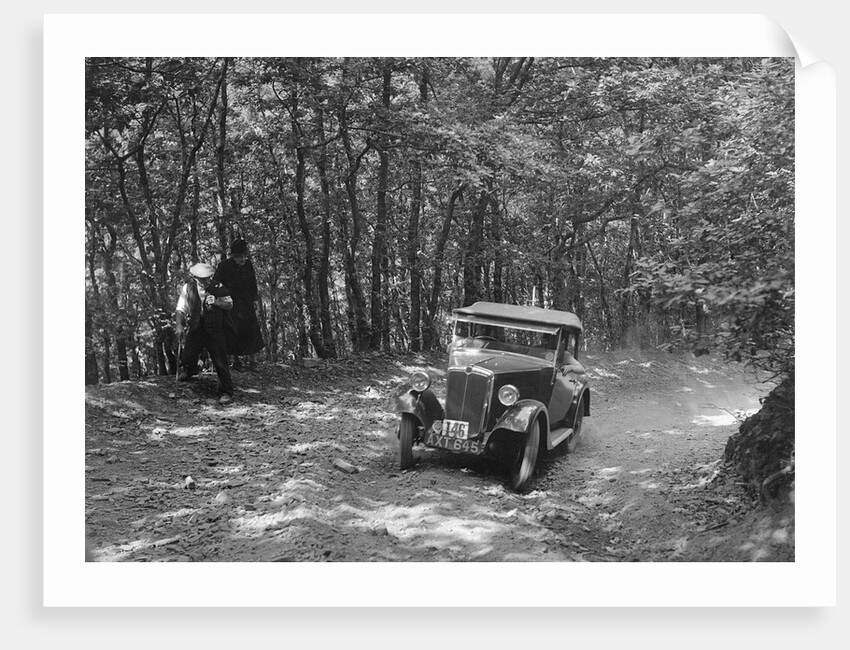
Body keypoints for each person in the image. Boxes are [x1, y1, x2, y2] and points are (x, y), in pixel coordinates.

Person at [175, 262, 236, 405]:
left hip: (215, 328)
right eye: (204, 279)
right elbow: (180, 309)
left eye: (209, 277)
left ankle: (226, 391)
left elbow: (230, 304)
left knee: (220, 360)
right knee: (189, 353)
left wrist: (217, 302)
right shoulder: (188, 288)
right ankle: (190, 370)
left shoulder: (218, 287)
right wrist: (179, 325)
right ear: (196, 278)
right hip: (197, 326)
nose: (208, 281)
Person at [213, 239, 265, 370]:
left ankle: (253, 361)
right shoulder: (224, 266)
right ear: (233, 256)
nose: (243, 259)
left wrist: (254, 300)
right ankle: (236, 362)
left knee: (251, 330)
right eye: (240, 256)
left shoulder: (248, 265)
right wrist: (219, 300)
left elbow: (253, 283)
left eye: (244, 256)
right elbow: (216, 284)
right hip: (231, 304)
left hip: (247, 303)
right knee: (233, 331)